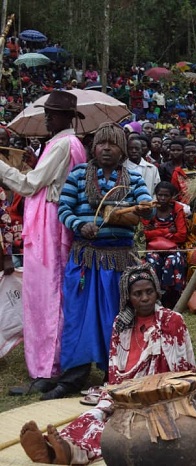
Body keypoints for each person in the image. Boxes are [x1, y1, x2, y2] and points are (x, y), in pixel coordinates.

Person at [18, 264, 196, 465]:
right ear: (128, 297)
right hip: (123, 392)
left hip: (160, 396)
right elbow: (114, 371)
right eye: (137, 293)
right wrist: (118, 397)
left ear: (157, 292)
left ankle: (71, 453)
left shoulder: (173, 321)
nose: (145, 298)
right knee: (93, 415)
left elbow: (185, 370)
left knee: (117, 427)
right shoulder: (121, 324)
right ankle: (55, 448)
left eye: (149, 291)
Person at [46, 123, 154, 400]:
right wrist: (80, 227)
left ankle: (115, 374)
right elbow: (64, 208)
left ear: (123, 151)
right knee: (78, 318)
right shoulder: (79, 174)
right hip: (85, 259)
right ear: (93, 148)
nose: (106, 148)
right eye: (101, 143)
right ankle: (72, 378)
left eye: (113, 144)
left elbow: (146, 207)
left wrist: (142, 208)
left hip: (118, 262)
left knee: (114, 318)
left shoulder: (133, 178)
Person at [3, 90, 87, 396]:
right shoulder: (65, 144)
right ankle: (49, 366)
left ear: (68, 118)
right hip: (48, 225)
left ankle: (48, 370)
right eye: (47, 113)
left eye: (52, 114)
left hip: (49, 228)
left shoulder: (64, 143)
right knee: (48, 295)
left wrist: (2, 166)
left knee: (47, 298)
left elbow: (30, 184)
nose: (47, 118)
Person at [143, 181, 188, 308]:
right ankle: (156, 296)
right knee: (153, 260)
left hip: (173, 248)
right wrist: (168, 231)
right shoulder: (150, 209)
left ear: (172, 196)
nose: (162, 198)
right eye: (159, 195)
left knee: (174, 260)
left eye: (166, 195)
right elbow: (144, 234)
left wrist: (155, 232)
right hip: (153, 248)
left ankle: (172, 297)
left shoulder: (177, 209)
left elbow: (182, 235)